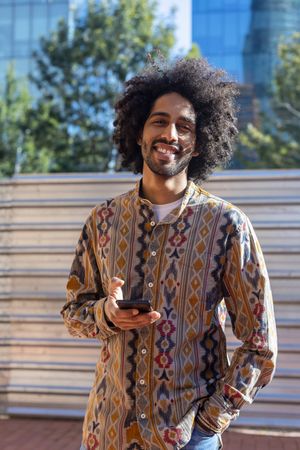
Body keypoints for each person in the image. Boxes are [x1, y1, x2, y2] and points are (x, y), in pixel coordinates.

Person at [61, 57, 277, 450]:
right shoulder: (103, 220)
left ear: (200, 142)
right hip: (105, 432)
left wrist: (209, 422)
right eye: (159, 121)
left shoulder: (227, 225)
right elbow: (74, 314)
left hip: (185, 437)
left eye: (185, 126)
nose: (170, 133)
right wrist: (105, 315)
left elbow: (260, 345)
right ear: (139, 131)